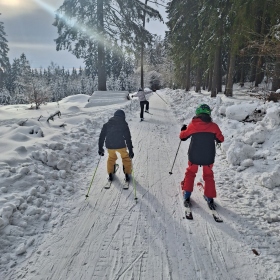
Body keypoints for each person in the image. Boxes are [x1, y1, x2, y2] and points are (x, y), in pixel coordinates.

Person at [179, 104, 224, 209]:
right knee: (208, 176)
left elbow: (183, 137)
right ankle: (209, 197)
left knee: (190, 173)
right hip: (208, 156)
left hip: (194, 155)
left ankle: (187, 195)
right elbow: (221, 139)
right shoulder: (214, 126)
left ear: (198, 113)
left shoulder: (193, 125)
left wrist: (183, 129)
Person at [98, 109, 134, 182]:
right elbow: (128, 138)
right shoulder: (124, 124)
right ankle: (127, 173)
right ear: (123, 116)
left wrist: (100, 148)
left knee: (111, 158)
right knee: (125, 158)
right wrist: (130, 150)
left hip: (110, 145)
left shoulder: (107, 124)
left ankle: (110, 173)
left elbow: (102, 136)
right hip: (120, 145)